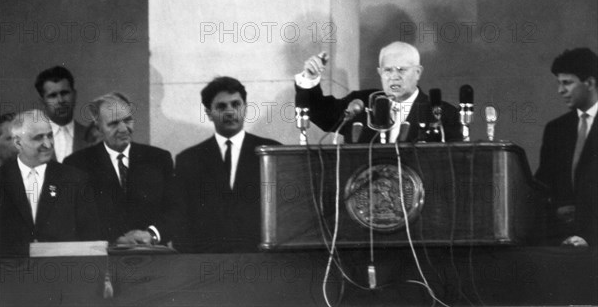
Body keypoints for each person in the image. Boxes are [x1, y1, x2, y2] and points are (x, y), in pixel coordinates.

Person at [175, 77, 281, 253]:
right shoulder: (188, 160)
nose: (230, 112)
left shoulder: (271, 153)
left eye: (236, 104)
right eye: (221, 106)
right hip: (207, 266)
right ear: (209, 113)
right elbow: (181, 219)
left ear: (245, 108)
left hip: (263, 262)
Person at [64, 92, 182, 247]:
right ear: (98, 127)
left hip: (152, 256)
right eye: (113, 124)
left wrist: (152, 234)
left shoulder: (159, 158)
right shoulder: (77, 164)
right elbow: (74, 219)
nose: (123, 129)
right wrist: (114, 239)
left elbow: (176, 209)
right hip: (103, 259)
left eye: (128, 120)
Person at [295, 42, 462, 143]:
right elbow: (319, 113)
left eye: (401, 70)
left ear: (418, 72)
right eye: (388, 70)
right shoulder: (360, 103)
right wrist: (310, 79)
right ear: (380, 72)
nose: (394, 77)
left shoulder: (443, 113)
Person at [0, 110, 101, 256]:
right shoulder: (1, 179)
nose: (47, 144)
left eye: (50, 135)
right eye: (38, 138)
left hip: (63, 272)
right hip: (9, 274)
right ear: (18, 143)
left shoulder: (76, 180)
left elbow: (91, 239)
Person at [535, 48, 598, 247]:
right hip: (562, 242)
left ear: (590, 83)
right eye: (559, 83)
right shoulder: (556, 129)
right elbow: (543, 183)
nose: (560, 90)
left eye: (567, 83)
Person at [34, 66, 92, 162]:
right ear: (42, 101)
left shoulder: (92, 137)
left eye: (64, 93)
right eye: (52, 96)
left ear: (74, 95)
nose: (60, 100)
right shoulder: (33, 140)